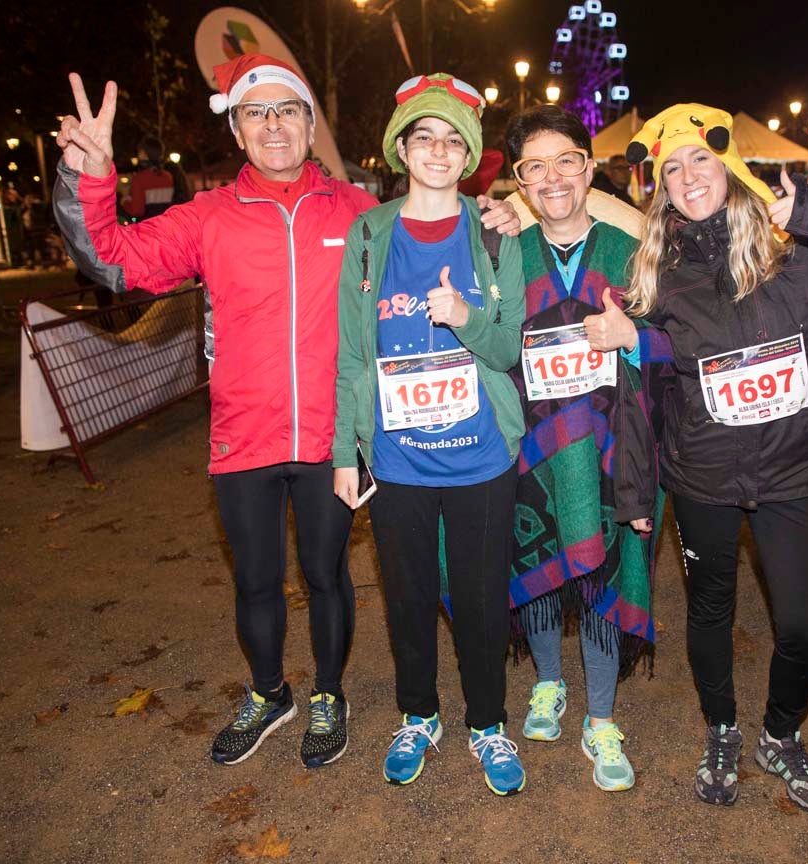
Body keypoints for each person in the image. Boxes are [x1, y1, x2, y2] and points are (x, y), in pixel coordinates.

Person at [52, 55, 520, 771]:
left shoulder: (358, 214)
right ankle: (269, 692)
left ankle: (330, 693)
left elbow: (436, 218)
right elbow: (113, 258)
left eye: (288, 110)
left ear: (309, 124)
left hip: (333, 439)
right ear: (237, 129)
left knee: (330, 574)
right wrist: (90, 176)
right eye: (256, 112)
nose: (274, 125)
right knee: (256, 580)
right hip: (245, 433)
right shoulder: (207, 216)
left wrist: (497, 206)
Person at [597, 103, 808, 809]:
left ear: (731, 164)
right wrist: (633, 493)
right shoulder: (656, 274)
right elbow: (639, 390)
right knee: (710, 611)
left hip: (792, 472)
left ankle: (779, 734)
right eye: (672, 168)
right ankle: (722, 729)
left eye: (701, 160)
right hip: (702, 477)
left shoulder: (794, 251)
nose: (686, 178)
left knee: (804, 625)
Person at [332, 73, 528, 796]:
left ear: (469, 151)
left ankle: (487, 724)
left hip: (481, 455)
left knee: (481, 599)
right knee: (408, 599)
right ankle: (419, 715)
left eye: (454, 140)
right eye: (426, 138)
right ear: (402, 149)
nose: (439, 151)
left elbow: (509, 350)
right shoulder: (368, 233)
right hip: (397, 458)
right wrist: (344, 453)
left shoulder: (495, 230)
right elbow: (352, 353)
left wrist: (463, 316)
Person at [501, 105, 667, 792]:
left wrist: (634, 335)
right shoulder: (504, 257)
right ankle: (547, 683)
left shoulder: (633, 253)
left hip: (617, 449)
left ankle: (601, 717)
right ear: (519, 181)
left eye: (566, 159)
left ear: (588, 166)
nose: (553, 177)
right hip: (528, 450)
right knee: (536, 556)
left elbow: (675, 346)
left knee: (608, 564)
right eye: (534, 167)